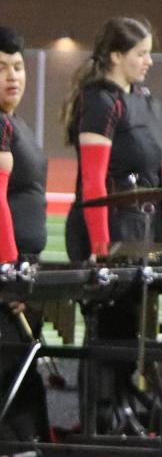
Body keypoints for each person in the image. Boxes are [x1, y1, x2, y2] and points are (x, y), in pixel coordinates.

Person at [63, 17, 162, 259]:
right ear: (116, 56)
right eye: (141, 54)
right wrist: (101, 247)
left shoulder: (142, 99)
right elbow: (93, 180)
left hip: (142, 225)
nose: (149, 62)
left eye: (149, 54)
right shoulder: (100, 102)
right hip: (112, 227)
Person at [0, 25, 51, 442]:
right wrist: (8, 269)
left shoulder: (16, 124)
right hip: (6, 271)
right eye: (1, 68)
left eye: (18, 67)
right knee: (11, 378)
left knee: (23, 375)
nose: (12, 76)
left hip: (20, 267)